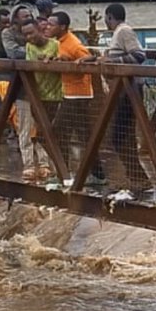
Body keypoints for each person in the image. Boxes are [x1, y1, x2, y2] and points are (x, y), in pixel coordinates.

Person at [99, 3, 150, 194]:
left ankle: (139, 178)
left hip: (129, 90)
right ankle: (137, 178)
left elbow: (139, 56)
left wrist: (112, 61)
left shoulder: (124, 31)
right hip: (122, 90)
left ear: (110, 17)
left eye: (106, 18)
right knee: (124, 135)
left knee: (119, 136)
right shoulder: (120, 32)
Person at [50, 11, 105, 186]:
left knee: (58, 131)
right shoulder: (60, 42)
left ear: (62, 27)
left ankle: (64, 173)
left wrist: (79, 62)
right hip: (70, 93)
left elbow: (88, 57)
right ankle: (96, 174)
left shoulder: (73, 43)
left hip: (78, 95)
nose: (48, 27)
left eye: (52, 24)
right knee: (84, 135)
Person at [20, 19, 62, 183]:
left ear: (40, 29)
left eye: (31, 32)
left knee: (47, 132)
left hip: (53, 94)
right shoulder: (29, 47)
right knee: (29, 131)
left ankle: (45, 165)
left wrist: (51, 62)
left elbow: (63, 60)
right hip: (34, 94)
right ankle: (29, 165)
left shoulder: (55, 45)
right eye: (25, 35)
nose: (29, 37)